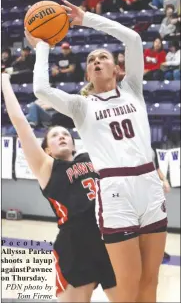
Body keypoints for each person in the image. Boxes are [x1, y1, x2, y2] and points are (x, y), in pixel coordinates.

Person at [26, 0, 168, 302]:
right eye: (90, 61)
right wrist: (42, 45)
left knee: (150, 283)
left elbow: (133, 39)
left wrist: (87, 19)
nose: (96, 62)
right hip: (115, 191)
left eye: (102, 57)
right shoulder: (81, 105)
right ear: (87, 75)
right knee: (128, 287)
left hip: (148, 184)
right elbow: (41, 90)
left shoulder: (132, 89)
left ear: (117, 69)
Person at [1, 73, 117, 302]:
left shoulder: (90, 155)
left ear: (74, 143)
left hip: (111, 238)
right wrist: (4, 79)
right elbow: (20, 123)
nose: (62, 136)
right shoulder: (46, 166)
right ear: (47, 149)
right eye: (54, 136)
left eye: (65, 134)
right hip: (76, 244)